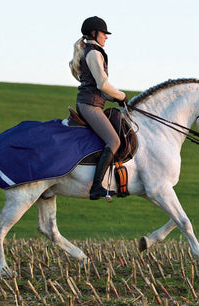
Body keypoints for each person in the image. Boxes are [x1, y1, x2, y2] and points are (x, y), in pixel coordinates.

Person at [69, 16, 128, 200]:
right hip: (90, 105)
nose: (106, 37)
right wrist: (122, 96)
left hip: (93, 103)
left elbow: (98, 86)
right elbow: (103, 84)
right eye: (104, 33)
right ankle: (96, 187)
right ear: (94, 33)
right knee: (114, 141)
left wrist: (113, 98)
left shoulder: (91, 51)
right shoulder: (94, 53)